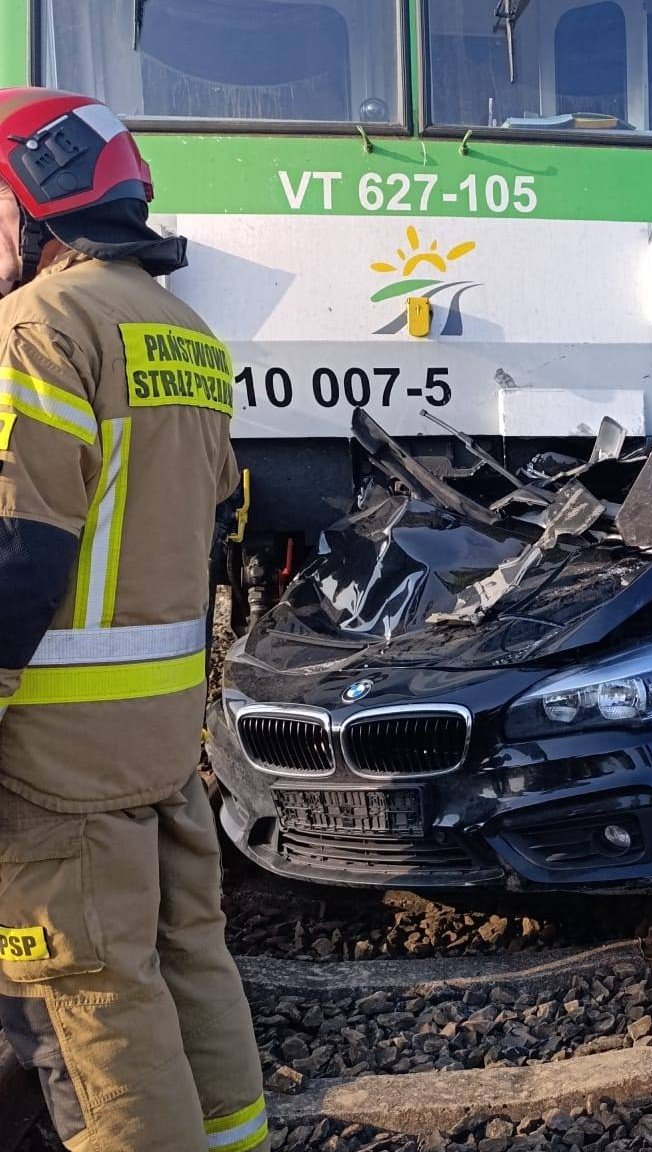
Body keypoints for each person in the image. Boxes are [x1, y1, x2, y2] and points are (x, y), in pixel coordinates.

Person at [0, 88, 266, 1152]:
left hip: (53, 755)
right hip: (156, 737)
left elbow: (18, 550)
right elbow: (226, 510)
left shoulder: (36, 327)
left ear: (35, 203)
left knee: (89, 998)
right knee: (186, 954)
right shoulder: (184, 332)